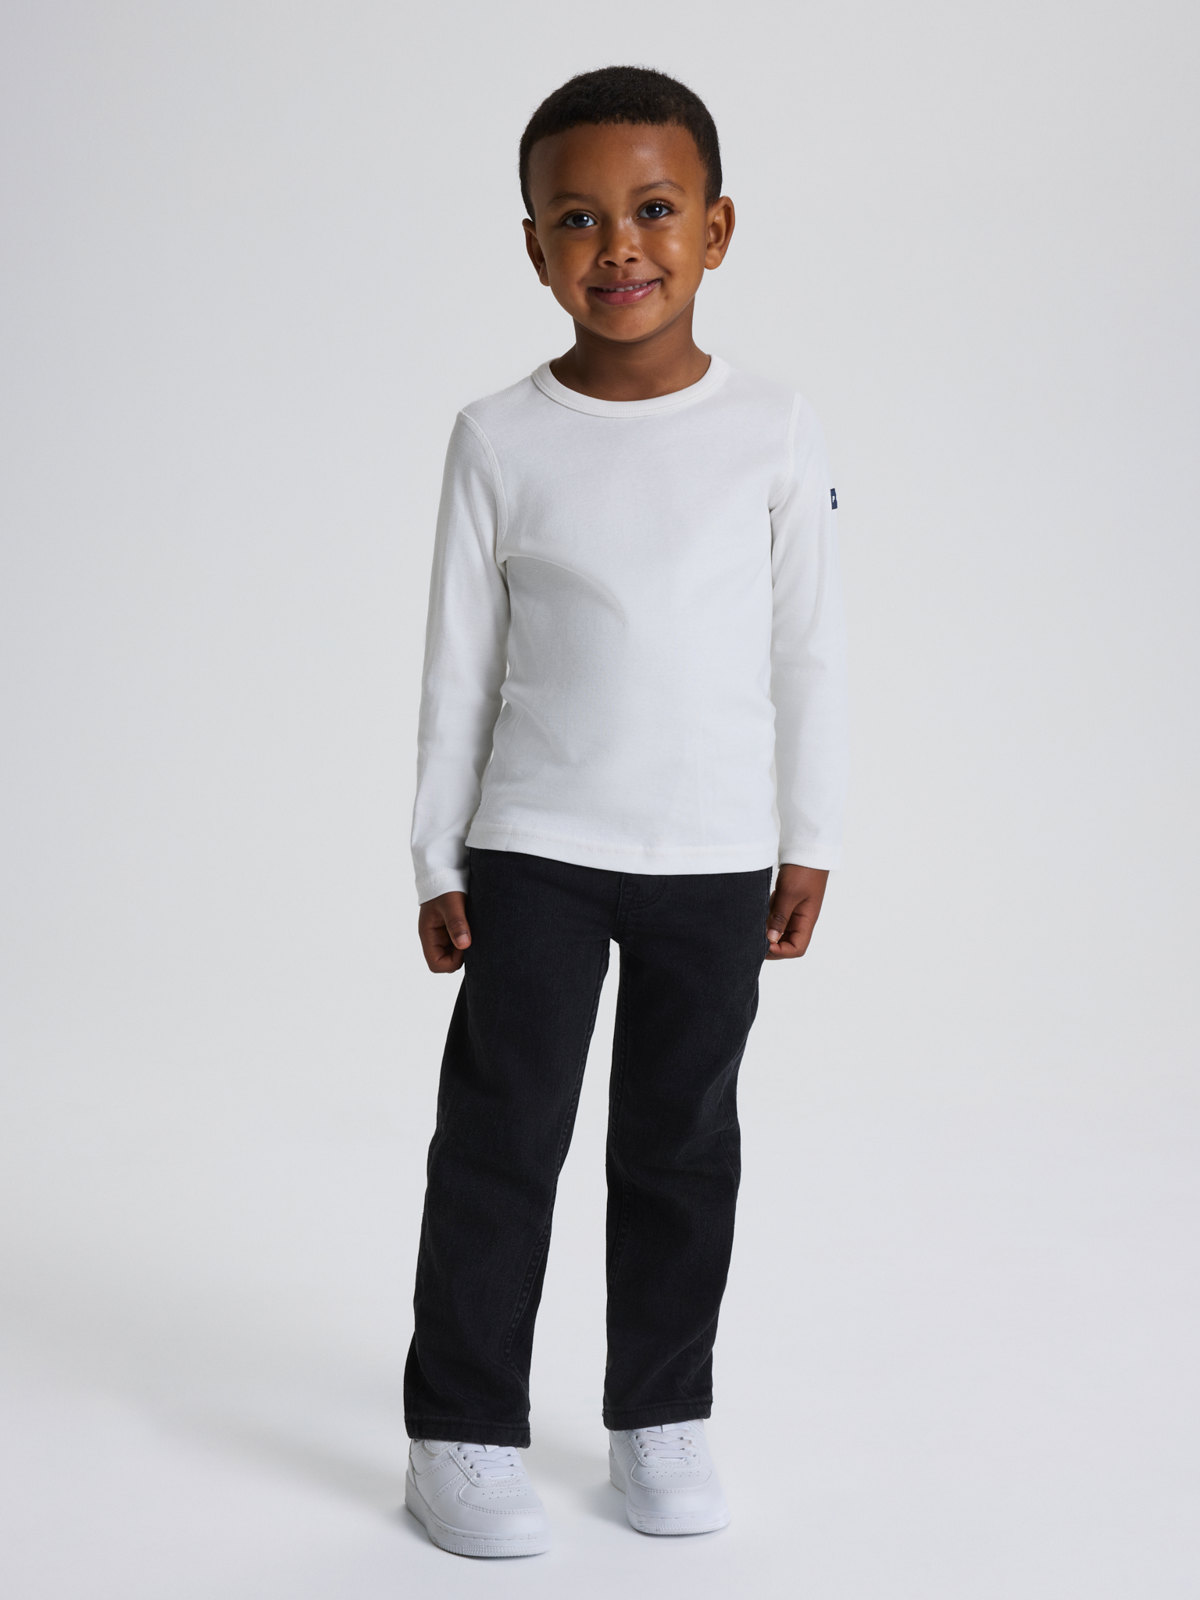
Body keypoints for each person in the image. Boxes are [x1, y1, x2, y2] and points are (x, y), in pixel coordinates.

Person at [402, 63, 849, 1559]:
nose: (619, 247)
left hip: (712, 857)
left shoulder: (773, 429)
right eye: (578, 218)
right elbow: (459, 662)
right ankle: (462, 1431)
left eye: (654, 211)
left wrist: (810, 837)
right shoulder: (499, 436)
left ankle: (662, 1413)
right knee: (500, 1140)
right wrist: (435, 852)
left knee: (681, 1144)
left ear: (715, 228)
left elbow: (809, 647)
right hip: (535, 850)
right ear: (533, 244)